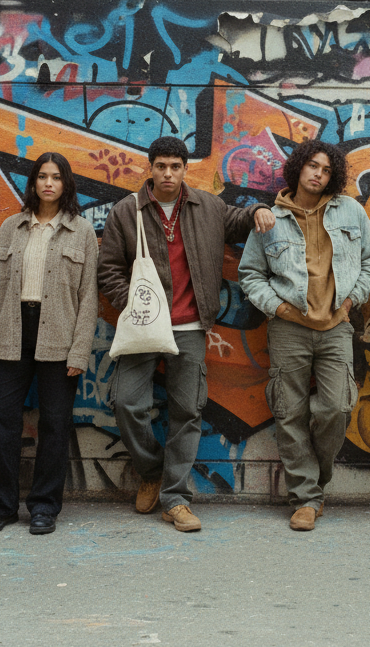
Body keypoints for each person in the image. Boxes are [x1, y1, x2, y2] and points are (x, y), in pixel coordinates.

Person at [96, 136, 275, 532]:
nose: (168, 174)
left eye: (175, 167)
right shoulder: (127, 212)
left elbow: (239, 219)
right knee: (127, 402)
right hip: (143, 327)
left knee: (187, 411)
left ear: (184, 169)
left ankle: (175, 499)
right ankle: (151, 471)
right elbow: (107, 268)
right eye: (161, 166)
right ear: (150, 167)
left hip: (192, 327)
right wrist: (138, 305)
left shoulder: (206, 206)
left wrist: (260, 208)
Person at [238, 139, 370, 531]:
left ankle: (315, 484)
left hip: (337, 326)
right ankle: (305, 498)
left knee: (336, 407)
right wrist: (279, 307)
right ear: (298, 169)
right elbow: (250, 273)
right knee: (290, 411)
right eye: (312, 166)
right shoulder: (271, 218)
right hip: (288, 328)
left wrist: (352, 300)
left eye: (326, 169)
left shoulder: (350, 211)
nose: (318, 174)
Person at [0, 153, 100, 536]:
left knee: (56, 424)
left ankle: (45, 507)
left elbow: (88, 297)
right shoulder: (12, 227)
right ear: (32, 183)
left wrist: (79, 350)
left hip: (58, 338)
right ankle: (0, 507)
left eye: (56, 177)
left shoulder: (82, 231)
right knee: (0, 421)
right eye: (42, 177)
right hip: (12, 333)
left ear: (66, 184)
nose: (48, 183)